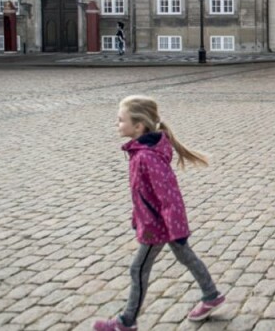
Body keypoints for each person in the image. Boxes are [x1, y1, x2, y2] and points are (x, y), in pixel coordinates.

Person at [94, 96, 225, 330]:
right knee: (186, 257)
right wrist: (138, 218)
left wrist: (177, 229)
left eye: (120, 120)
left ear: (139, 126)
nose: (117, 124)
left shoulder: (146, 156)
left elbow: (169, 195)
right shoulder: (139, 153)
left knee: (138, 269)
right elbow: (142, 194)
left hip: (159, 228)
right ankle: (211, 295)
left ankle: (127, 321)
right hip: (156, 223)